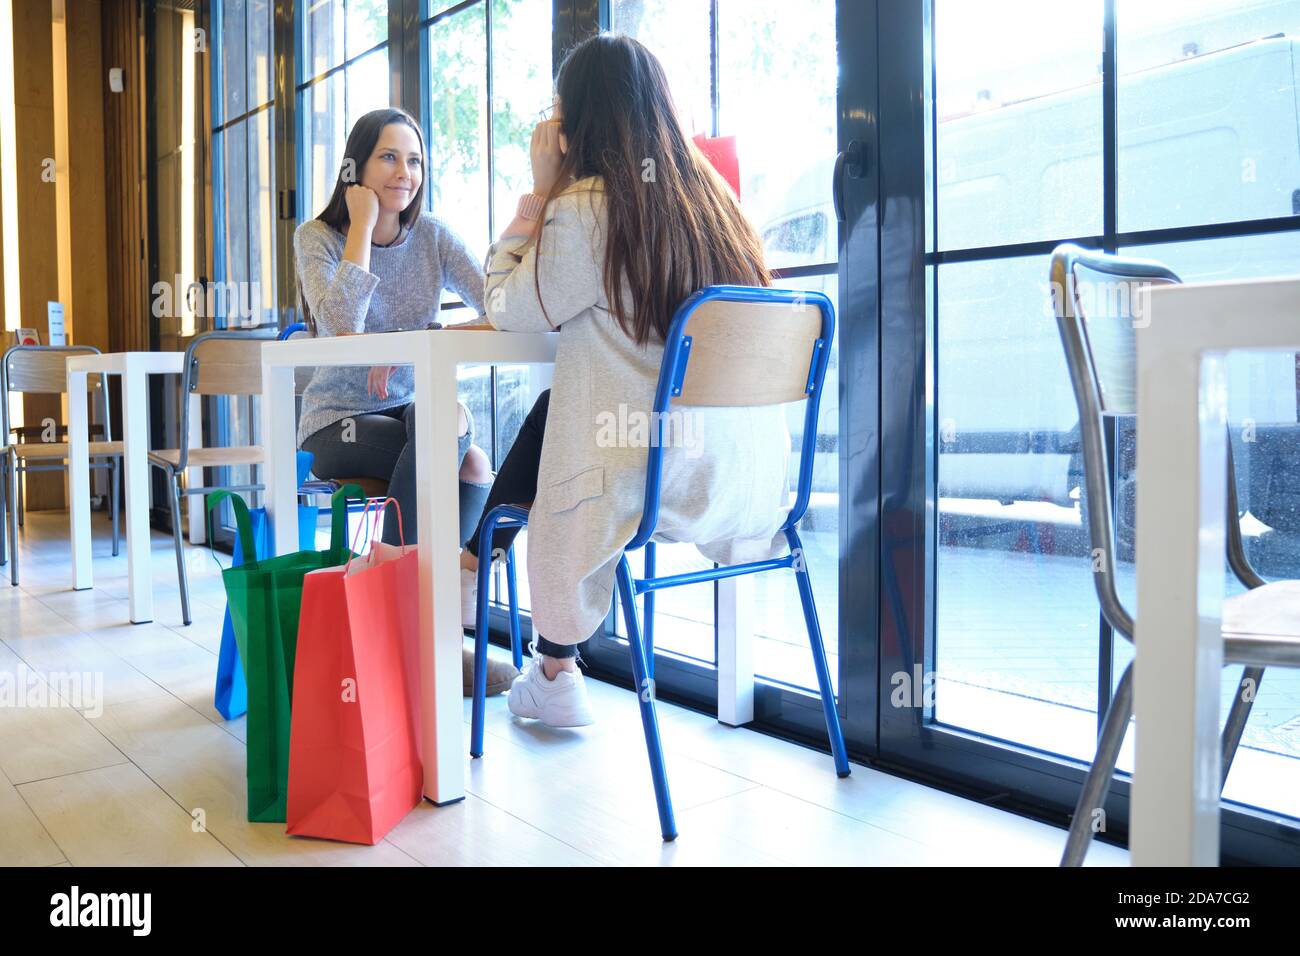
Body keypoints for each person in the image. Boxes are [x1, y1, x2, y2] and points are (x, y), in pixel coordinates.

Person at [459, 34, 791, 727]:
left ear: (575, 119)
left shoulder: (586, 207)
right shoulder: (717, 209)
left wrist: (539, 193)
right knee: (564, 409)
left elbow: (510, 306)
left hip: (650, 474)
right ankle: (543, 658)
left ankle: (506, 615)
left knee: (574, 424)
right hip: (742, 476)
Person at [295, 107, 517, 696]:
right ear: (357, 168)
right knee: (446, 453)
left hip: (411, 410)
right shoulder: (317, 238)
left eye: (414, 160)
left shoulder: (435, 238)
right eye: (388, 157)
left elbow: (502, 308)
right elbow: (342, 323)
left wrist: (425, 344)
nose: (405, 172)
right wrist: (362, 229)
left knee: (463, 446)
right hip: (335, 423)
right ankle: (434, 636)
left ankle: (408, 624)